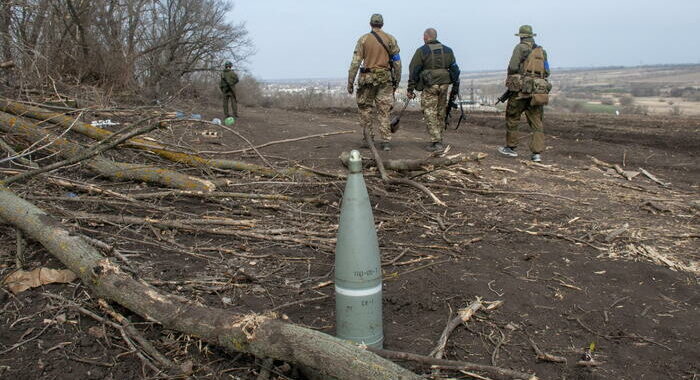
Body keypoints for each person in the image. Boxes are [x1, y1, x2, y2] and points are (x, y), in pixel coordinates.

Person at [348, 13, 402, 151]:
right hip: (385, 80)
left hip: (367, 80)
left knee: (365, 109)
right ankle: (386, 142)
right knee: (384, 111)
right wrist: (397, 79)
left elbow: (355, 63)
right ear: (382, 24)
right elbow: (397, 62)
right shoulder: (390, 39)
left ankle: (368, 140)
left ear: (371, 24)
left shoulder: (363, 40)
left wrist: (350, 82)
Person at [498, 25, 551, 162]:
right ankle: (536, 154)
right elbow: (547, 71)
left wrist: (514, 80)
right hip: (537, 91)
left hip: (520, 91)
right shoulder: (541, 51)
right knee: (536, 122)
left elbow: (513, 66)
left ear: (521, 36)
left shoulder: (520, 48)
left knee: (512, 116)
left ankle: (511, 148)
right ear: (532, 36)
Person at [407, 28, 460, 152]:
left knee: (429, 111)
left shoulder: (422, 51)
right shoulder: (448, 50)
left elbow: (414, 70)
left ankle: (436, 141)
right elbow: (455, 69)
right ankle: (439, 137)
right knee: (441, 111)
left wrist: (411, 88)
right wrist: (455, 86)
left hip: (430, 85)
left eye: (423, 37)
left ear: (426, 37)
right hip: (444, 85)